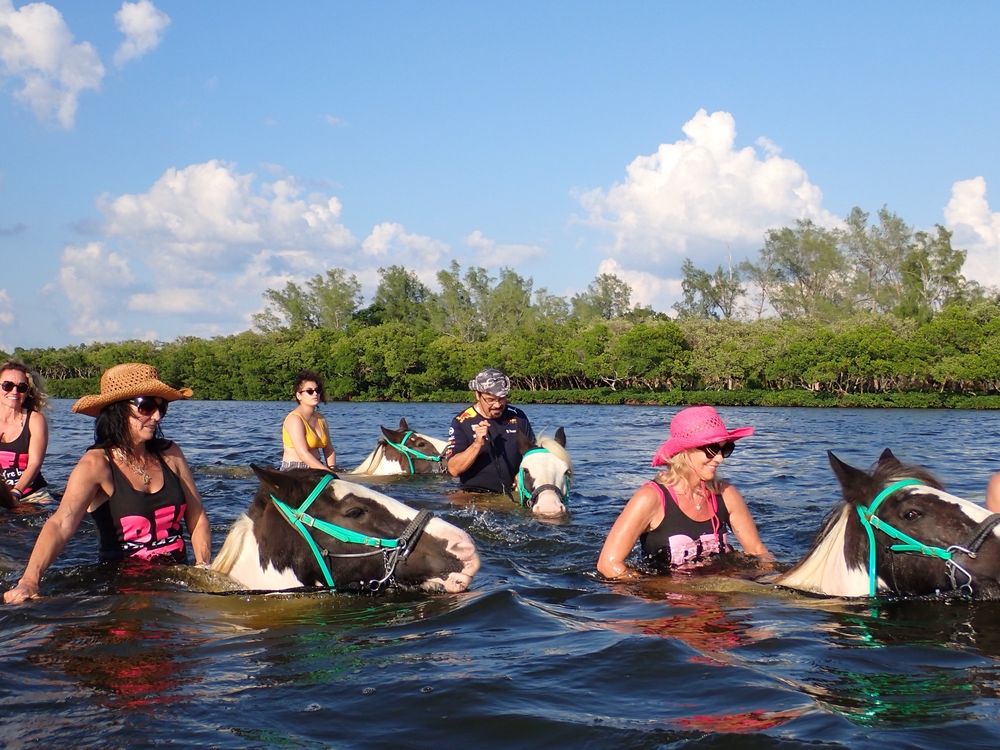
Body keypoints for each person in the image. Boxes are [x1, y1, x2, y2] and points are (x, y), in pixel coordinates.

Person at [3, 363, 211, 604]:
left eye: (161, 407)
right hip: (125, 590)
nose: (156, 416)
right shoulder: (96, 464)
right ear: (118, 410)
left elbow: (197, 515)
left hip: (177, 583)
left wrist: (203, 569)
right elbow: (61, 523)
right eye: (146, 406)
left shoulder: (171, 454)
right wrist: (29, 581)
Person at [597, 405, 771, 579]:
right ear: (684, 451)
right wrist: (654, 588)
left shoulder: (726, 494)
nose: (719, 458)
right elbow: (608, 565)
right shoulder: (651, 498)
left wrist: (770, 578)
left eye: (725, 449)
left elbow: (757, 551)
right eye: (712, 449)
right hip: (666, 594)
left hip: (720, 590)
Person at [444, 367, 535, 494]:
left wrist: (521, 475)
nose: (497, 405)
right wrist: (477, 444)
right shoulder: (462, 421)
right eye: (491, 400)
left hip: (514, 492)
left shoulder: (518, 416)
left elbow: (533, 454)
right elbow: (454, 469)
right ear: (478, 395)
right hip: (474, 494)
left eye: (502, 398)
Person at [0, 360, 51, 504]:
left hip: (31, 495)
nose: (14, 391)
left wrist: (16, 493)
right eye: (7, 385)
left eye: (21, 387)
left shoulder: (35, 420)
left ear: (28, 392)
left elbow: (35, 463)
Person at [280, 370, 336, 471]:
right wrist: (328, 472)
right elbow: (303, 454)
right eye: (310, 391)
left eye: (317, 390)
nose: (315, 394)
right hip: (295, 469)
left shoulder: (321, 419)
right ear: (299, 395)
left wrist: (332, 468)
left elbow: (329, 449)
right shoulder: (294, 419)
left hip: (317, 467)